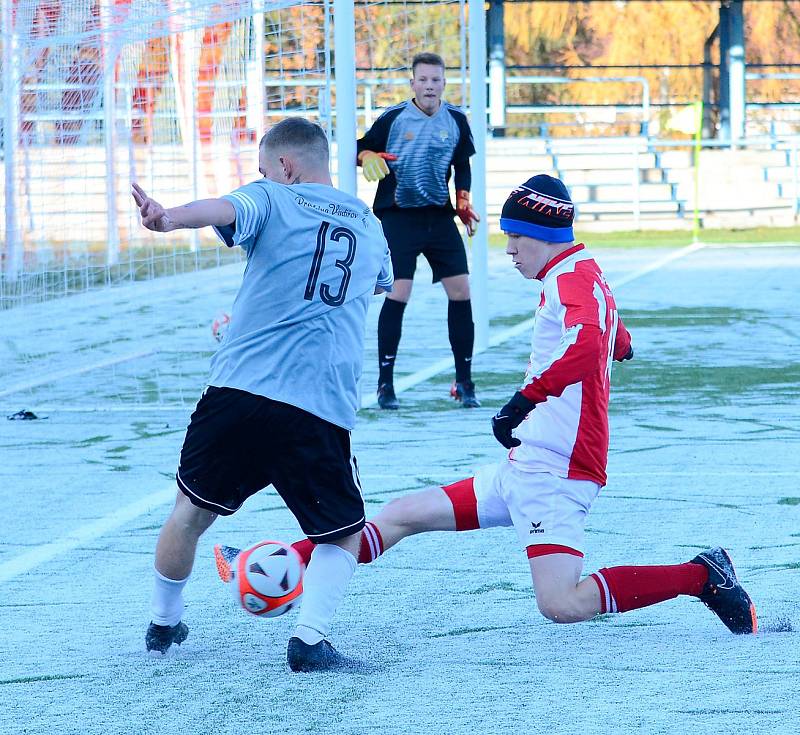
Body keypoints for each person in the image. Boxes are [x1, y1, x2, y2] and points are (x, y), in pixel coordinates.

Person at [228, 174, 757, 637]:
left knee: (561, 603)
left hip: (555, 473)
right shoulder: (580, 271)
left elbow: (593, 340)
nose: (509, 250)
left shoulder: (569, 278)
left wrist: (524, 400)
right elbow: (609, 335)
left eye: (515, 237)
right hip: (528, 465)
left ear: (543, 235)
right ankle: (278, 562)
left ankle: (701, 576)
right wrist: (620, 344)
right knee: (401, 515)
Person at [134, 117, 394, 672]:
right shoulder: (369, 225)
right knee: (342, 534)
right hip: (318, 405)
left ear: (284, 166)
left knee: (188, 514)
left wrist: (169, 218)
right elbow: (372, 286)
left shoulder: (272, 196)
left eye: (261, 168)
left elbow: (225, 210)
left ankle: (162, 623)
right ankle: (309, 639)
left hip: (239, 391)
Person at [357, 51, 481, 410]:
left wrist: (462, 201)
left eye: (436, 80)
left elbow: (462, 166)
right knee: (399, 291)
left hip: (439, 218)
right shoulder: (394, 117)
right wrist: (367, 156)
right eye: (423, 80)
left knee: (461, 291)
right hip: (399, 217)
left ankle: (465, 382)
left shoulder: (456, 119)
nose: (430, 86)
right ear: (412, 83)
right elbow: (359, 147)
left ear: (444, 83)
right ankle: (385, 385)